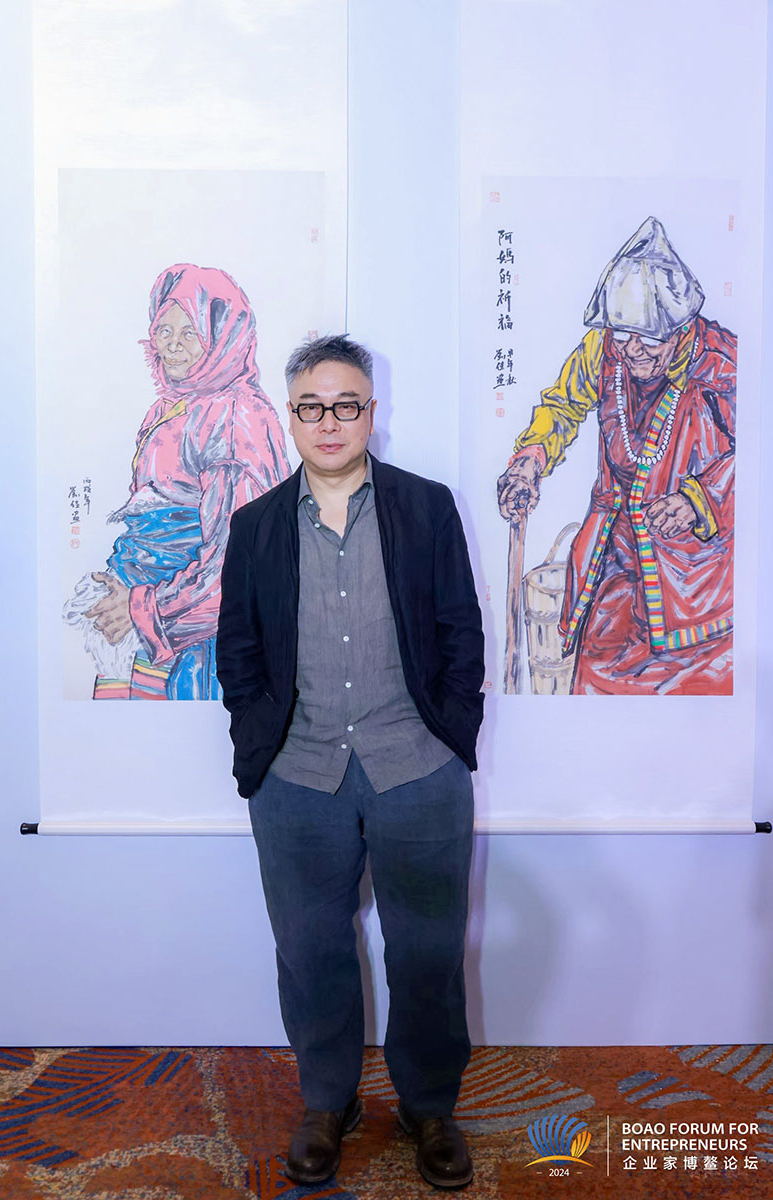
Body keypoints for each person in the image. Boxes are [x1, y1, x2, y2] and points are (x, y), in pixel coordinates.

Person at [216, 335, 485, 1188]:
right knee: (310, 951)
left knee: (427, 953)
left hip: (417, 768)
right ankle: (326, 1103)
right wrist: (256, 744)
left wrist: (452, 734)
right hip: (297, 777)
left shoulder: (426, 508)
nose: (328, 421)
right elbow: (238, 652)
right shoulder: (256, 525)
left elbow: (461, 631)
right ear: (290, 415)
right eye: (311, 406)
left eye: (346, 404)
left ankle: (429, 1107)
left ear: (372, 411)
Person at [497, 216, 735, 695]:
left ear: (681, 327)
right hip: (617, 563)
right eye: (622, 335)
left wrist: (699, 500)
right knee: (597, 681)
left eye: (648, 337)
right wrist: (529, 461)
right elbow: (562, 406)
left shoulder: (725, 364)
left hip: (695, 587)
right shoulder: (604, 350)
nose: (632, 351)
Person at [64, 263, 290, 699]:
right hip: (134, 615)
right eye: (164, 331)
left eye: (190, 332)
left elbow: (238, 559)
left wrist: (145, 610)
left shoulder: (238, 415)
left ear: (223, 336)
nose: (172, 345)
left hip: (193, 634)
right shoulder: (166, 408)